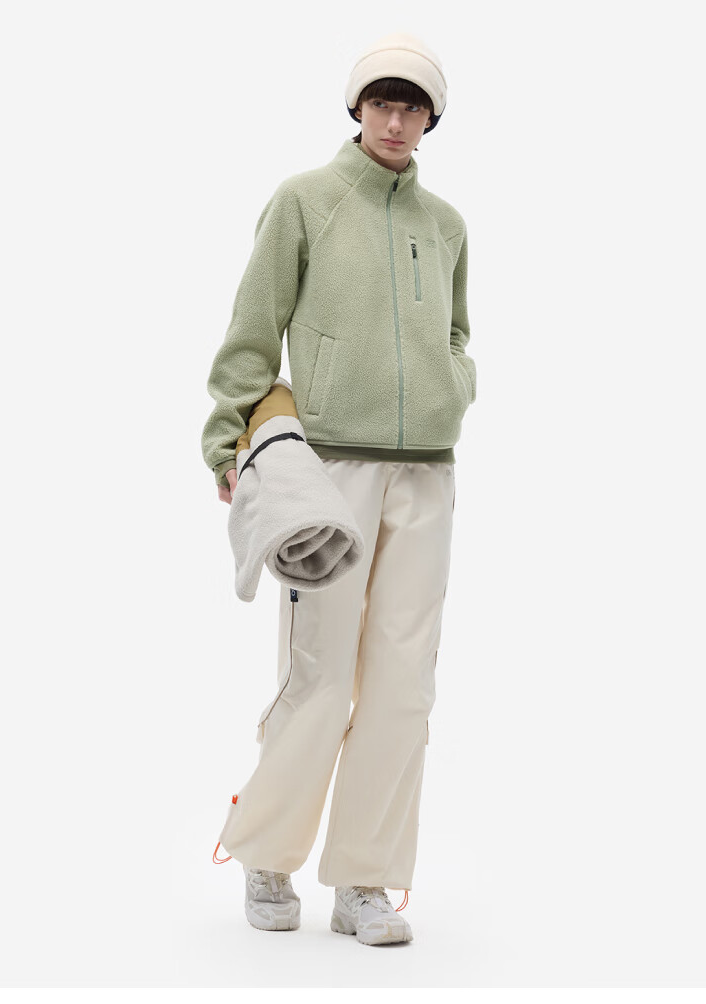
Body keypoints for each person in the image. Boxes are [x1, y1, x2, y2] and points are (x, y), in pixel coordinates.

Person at [201, 31, 476, 946]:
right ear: (358, 110)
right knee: (318, 675)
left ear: (431, 120)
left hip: (427, 473)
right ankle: (266, 854)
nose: (396, 120)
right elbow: (252, 334)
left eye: (413, 107)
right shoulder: (304, 202)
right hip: (328, 472)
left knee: (405, 685)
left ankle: (364, 881)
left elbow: (458, 334)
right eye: (382, 103)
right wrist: (227, 442)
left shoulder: (447, 225)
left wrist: (453, 386)